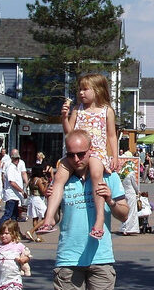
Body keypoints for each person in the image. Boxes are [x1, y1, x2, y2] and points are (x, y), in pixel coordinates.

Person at [48, 130, 128, 290]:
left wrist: (110, 201)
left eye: (81, 154)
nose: (76, 159)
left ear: (91, 150)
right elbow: (58, 217)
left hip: (101, 255)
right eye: (70, 155)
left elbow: (124, 214)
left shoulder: (107, 176)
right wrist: (47, 215)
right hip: (68, 256)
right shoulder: (63, 178)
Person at [39, 73, 118, 240]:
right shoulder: (78, 109)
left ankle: (99, 218)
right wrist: (64, 118)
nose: (81, 93)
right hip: (76, 149)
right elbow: (70, 133)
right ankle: (49, 218)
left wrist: (115, 156)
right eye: (80, 89)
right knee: (59, 176)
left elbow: (112, 135)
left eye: (85, 89)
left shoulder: (107, 111)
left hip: (96, 151)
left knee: (96, 174)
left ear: (97, 90)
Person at [0, 150, 25, 236]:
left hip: (15, 195)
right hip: (11, 195)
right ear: (13, 159)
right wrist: (21, 190)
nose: (17, 161)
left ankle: (16, 232)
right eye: (15, 159)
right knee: (7, 214)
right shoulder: (11, 168)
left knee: (14, 216)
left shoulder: (15, 168)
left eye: (17, 159)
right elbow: (12, 182)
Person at [119, 162, 140, 235]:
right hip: (131, 193)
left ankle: (124, 227)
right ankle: (129, 229)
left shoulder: (122, 174)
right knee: (131, 211)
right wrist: (138, 191)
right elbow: (134, 184)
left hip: (124, 193)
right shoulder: (131, 173)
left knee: (125, 211)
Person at [25, 174, 48, 242]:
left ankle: (38, 237)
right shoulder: (38, 180)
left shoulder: (31, 180)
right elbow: (43, 192)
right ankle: (31, 231)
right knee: (46, 217)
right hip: (38, 200)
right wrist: (46, 184)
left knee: (35, 218)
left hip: (32, 198)